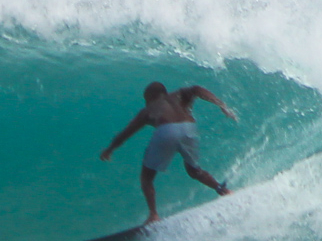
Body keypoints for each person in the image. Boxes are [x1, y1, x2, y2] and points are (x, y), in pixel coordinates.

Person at [99, 81, 236, 223]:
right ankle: (223, 190)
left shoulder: (148, 110)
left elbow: (127, 132)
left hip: (166, 130)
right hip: (189, 128)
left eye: (146, 99)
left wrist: (110, 149)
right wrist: (221, 105)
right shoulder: (179, 95)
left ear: (150, 97)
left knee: (147, 178)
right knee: (195, 171)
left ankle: (153, 215)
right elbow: (197, 89)